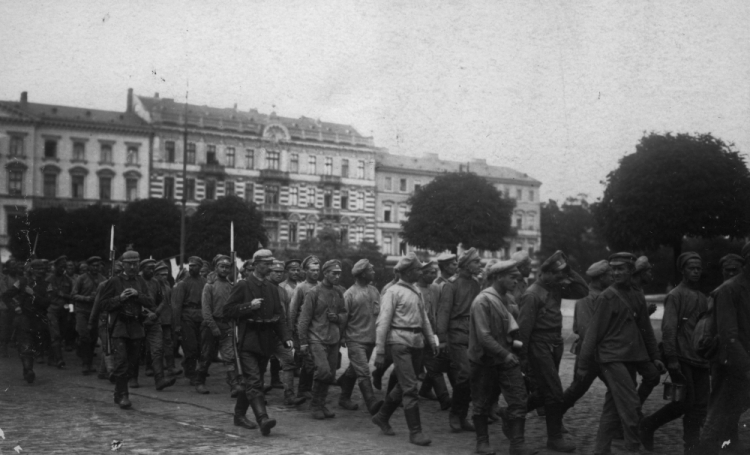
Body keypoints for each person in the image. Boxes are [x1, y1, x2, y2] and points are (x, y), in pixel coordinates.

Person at [577, 252, 665, 454]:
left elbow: (646, 329)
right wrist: (582, 365)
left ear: (631, 270)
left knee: (613, 406)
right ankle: (633, 448)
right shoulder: (607, 297)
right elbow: (592, 333)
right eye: (613, 269)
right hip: (611, 358)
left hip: (631, 356)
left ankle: (601, 450)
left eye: (621, 269)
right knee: (631, 404)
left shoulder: (637, 294)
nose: (615, 273)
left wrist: (655, 357)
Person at [517, 250, 588, 453]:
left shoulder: (555, 287)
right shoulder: (532, 294)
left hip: (554, 344)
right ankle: (554, 438)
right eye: (557, 273)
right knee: (555, 392)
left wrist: (569, 269)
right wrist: (523, 357)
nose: (561, 277)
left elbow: (583, 291)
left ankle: (511, 414)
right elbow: (523, 330)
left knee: (542, 392)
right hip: (539, 346)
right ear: (545, 272)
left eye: (562, 274)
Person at [639, 252, 708, 453]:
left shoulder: (703, 298)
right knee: (684, 403)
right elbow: (669, 329)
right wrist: (672, 358)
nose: (695, 271)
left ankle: (691, 447)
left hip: (701, 359)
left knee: (700, 406)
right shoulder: (675, 295)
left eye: (698, 268)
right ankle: (648, 425)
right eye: (691, 268)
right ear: (683, 270)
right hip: (682, 357)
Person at [371, 253, 439, 446]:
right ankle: (415, 432)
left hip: (417, 342)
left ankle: (382, 416)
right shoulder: (393, 291)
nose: (421, 272)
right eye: (418, 269)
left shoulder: (416, 290)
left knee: (403, 385)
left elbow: (424, 319)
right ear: (408, 272)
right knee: (410, 388)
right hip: (399, 342)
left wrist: (431, 341)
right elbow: (382, 322)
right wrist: (381, 350)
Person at [470, 261, 535, 455]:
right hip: (484, 361)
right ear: (498, 277)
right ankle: (482, 443)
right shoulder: (482, 301)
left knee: (518, 399)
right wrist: (506, 354)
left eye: (518, 277)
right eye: (512, 277)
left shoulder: (508, 300)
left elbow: (513, 333)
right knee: (481, 403)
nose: (517, 281)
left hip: (506, 359)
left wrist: (516, 352)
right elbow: (484, 337)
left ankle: (517, 444)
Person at [223, 249, 291, 436]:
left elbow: (279, 317)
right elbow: (227, 310)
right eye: (266, 263)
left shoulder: (272, 289)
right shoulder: (243, 285)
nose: (269, 266)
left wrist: (286, 338)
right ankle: (263, 419)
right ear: (255, 264)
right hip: (248, 341)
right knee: (254, 381)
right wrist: (248, 307)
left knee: (253, 381)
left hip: (266, 341)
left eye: (271, 263)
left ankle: (239, 416)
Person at [696, 243, 750, 454]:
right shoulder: (728, 290)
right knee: (717, 418)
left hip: (744, 363)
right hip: (730, 364)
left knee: (731, 413)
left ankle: (731, 447)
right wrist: (747, 367)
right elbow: (728, 336)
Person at [98, 249, 156, 409]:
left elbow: (150, 302)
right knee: (121, 362)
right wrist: (120, 299)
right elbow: (103, 304)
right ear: (123, 264)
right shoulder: (114, 282)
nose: (132, 267)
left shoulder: (140, 282)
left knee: (132, 363)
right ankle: (123, 395)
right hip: (119, 327)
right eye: (129, 264)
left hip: (136, 326)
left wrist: (137, 295)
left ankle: (119, 391)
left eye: (135, 264)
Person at [437, 247, 483, 432]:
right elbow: (444, 313)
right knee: (466, 374)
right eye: (476, 262)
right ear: (465, 265)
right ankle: (455, 415)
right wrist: (442, 339)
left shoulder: (475, 284)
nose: (479, 265)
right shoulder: (451, 285)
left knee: (473, 377)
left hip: (473, 335)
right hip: (456, 334)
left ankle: (462, 416)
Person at [561, 260, 613, 414]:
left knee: (618, 389)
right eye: (609, 275)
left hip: (601, 353)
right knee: (576, 390)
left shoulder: (603, 296)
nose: (612, 278)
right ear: (601, 278)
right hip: (589, 355)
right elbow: (584, 330)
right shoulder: (586, 298)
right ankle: (554, 416)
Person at [297, 259, 347, 420]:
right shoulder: (314, 292)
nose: (337, 277)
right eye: (334, 273)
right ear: (325, 273)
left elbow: (345, 314)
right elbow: (304, 319)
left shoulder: (339, 292)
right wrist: (303, 342)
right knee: (323, 371)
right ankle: (315, 405)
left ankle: (322, 403)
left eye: (339, 274)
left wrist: (338, 317)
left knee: (330, 374)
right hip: (316, 338)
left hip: (333, 338)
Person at [337, 258, 384, 415]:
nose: (374, 271)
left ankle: (344, 397)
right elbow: (343, 318)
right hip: (355, 339)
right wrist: (342, 336)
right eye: (370, 269)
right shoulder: (349, 294)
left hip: (370, 339)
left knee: (354, 370)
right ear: (363, 274)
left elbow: (380, 315)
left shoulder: (374, 291)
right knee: (363, 370)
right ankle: (371, 403)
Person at [2, 259, 52, 383]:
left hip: (39, 319)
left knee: (35, 345)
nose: (41, 271)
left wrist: (33, 293)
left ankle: (27, 368)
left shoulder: (47, 285)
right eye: (38, 268)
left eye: (42, 269)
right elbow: (6, 296)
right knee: (25, 344)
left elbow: (46, 303)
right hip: (24, 318)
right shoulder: (22, 282)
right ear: (31, 270)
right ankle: (28, 369)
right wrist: (15, 307)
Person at [267, 260, 306, 406]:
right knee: (258, 364)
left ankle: (289, 395)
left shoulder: (282, 291)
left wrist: (288, 333)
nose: (278, 274)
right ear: (269, 272)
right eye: (275, 272)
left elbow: (287, 314)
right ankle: (255, 394)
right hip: (263, 332)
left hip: (279, 333)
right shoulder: (263, 288)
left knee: (289, 362)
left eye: (280, 272)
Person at [196, 255, 236, 395]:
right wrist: (213, 327)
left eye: (227, 267)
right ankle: (200, 382)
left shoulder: (231, 286)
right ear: (216, 268)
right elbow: (206, 310)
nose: (224, 270)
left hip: (226, 325)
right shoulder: (209, 286)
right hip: (211, 325)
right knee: (206, 355)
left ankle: (233, 384)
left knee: (230, 356)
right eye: (222, 266)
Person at [416, 260, 452, 411]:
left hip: (431, 333)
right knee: (413, 368)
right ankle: (443, 398)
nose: (433, 275)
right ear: (421, 274)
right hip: (417, 334)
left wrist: (437, 333)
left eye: (434, 272)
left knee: (433, 365)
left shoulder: (436, 288)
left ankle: (435, 395)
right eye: (430, 273)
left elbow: (438, 311)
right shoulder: (415, 290)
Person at [288, 255, 321, 400]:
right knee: (308, 360)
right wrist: (291, 331)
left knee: (314, 361)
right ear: (306, 271)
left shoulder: (321, 286)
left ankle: (307, 387)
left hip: (318, 330)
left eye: (318, 270)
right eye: (312, 270)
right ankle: (303, 389)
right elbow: (293, 310)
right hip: (303, 330)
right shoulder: (301, 288)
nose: (316, 273)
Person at [172, 256, 207, 384]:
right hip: (187, 317)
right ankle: (190, 373)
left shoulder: (204, 282)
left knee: (200, 347)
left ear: (200, 267)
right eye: (190, 265)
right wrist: (176, 325)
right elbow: (177, 306)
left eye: (195, 266)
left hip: (201, 316)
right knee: (190, 347)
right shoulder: (183, 283)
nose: (191, 268)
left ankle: (195, 370)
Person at [72, 256, 106, 375]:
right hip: (82, 311)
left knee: (93, 338)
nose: (96, 268)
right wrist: (86, 298)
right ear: (89, 266)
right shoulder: (81, 278)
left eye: (98, 265)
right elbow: (74, 295)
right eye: (93, 265)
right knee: (84, 336)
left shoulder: (103, 279)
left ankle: (89, 363)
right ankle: (85, 364)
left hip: (95, 312)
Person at [46, 255, 74, 369]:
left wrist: (71, 312)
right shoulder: (48, 280)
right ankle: (59, 359)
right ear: (55, 266)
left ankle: (51, 357)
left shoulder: (68, 280)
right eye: (60, 266)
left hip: (64, 311)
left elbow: (71, 298)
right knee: (55, 335)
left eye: (64, 267)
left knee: (61, 334)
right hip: (51, 310)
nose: (62, 269)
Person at [155, 261, 181, 376]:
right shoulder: (152, 285)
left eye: (166, 274)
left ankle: (170, 367)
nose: (165, 276)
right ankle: (154, 368)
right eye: (162, 274)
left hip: (166, 319)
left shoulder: (167, 286)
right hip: (155, 319)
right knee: (156, 345)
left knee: (168, 343)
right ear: (156, 275)